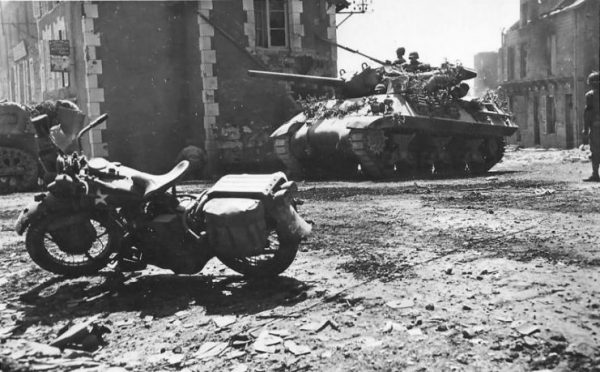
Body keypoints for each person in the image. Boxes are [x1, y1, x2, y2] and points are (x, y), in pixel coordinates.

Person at [582, 71, 600, 182]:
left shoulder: (590, 95)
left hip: (596, 127)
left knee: (595, 151)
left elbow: (587, 113)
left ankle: (595, 174)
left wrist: (585, 128)